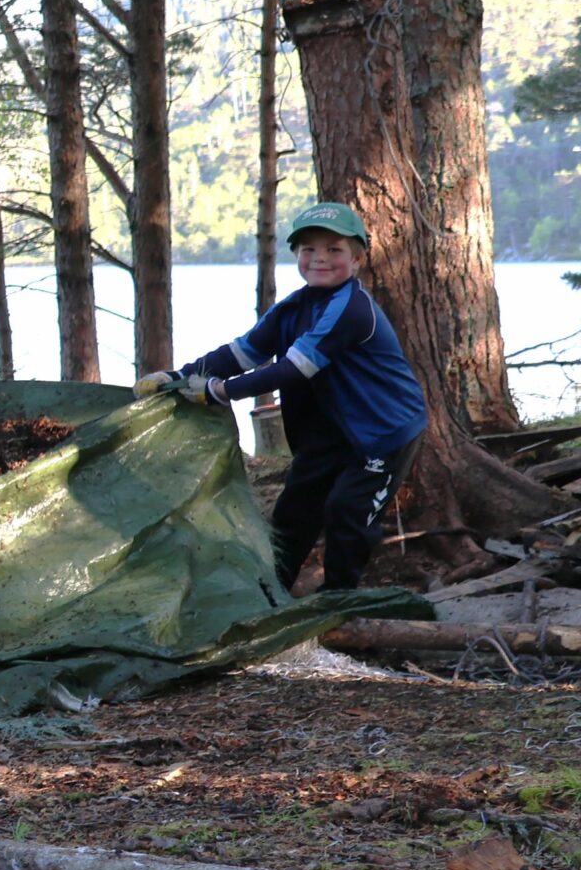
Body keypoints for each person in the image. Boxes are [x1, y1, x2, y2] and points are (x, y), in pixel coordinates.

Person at [138, 200, 428, 594]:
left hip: (384, 433)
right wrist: (179, 376)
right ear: (296, 255)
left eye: (334, 250)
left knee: (348, 511)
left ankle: (339, 601)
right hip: (327, 433)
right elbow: (240, 353)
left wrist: (221, 393)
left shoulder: (352, 309)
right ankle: (270, 593)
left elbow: (295, 368)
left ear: (357, 259)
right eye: (308, 249)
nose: (319, 259)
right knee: (295, 512)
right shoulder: (293, 308)